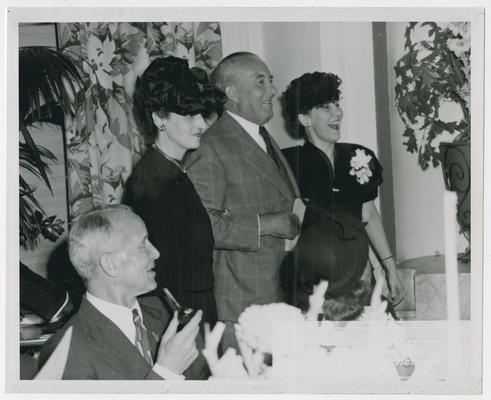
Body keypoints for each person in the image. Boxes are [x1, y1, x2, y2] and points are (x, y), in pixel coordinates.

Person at [185, 52, 301, 350]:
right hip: (242, 308)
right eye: (260, 82)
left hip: (277, 295)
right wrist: (268, 224)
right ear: (232, 93)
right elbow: (202, 226)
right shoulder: (210, 146)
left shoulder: (262, 136)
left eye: (270, 81)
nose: (272, 90)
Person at [38, 205, 208, 380]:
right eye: (143, 246)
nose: (156, 253)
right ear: (110, 264)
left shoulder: (168, 312)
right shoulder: (66, 353)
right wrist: (166, 373)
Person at [282, 71, 405, 310]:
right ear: (305, 118)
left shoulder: (358, 156)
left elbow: (368, 216)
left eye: (336, 104)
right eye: (325, 107)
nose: (337, 112)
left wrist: (389, 268)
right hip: (312, 281)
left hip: (359, 275)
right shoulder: (289, 163)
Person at [124, 56, 224, 326]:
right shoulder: (158, 182)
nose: (201, 124)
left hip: (193, 307)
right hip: (182, 315)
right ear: (159, 118)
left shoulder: (165, 169)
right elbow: (161, 276)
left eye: (201, 114)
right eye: (189, 115)